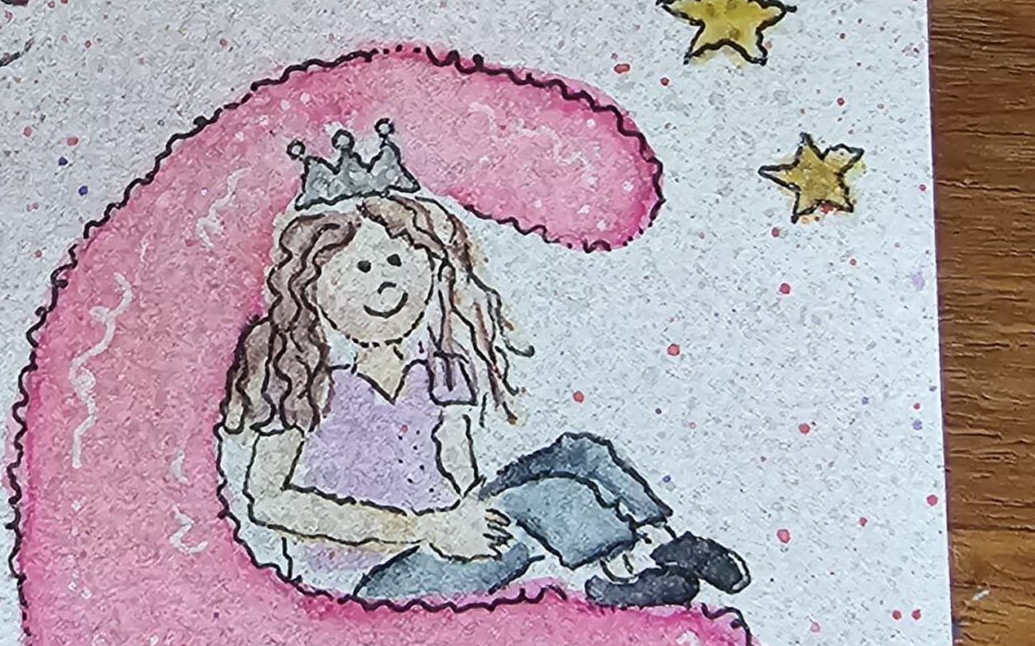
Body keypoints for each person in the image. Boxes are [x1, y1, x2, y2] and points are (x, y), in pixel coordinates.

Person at [220, 123, 748, 608]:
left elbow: (458, 469)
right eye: (361, 267)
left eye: (398, 260)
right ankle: (610, 577)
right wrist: (428, 529)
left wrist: (464, 512)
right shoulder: (303, 382)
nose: (386, 281)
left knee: (581, 453)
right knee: (544, 499)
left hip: (446, 535)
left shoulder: (438, 370)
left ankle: (662, 545)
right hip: (370, 581)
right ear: (312, 290)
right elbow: (269, 501)